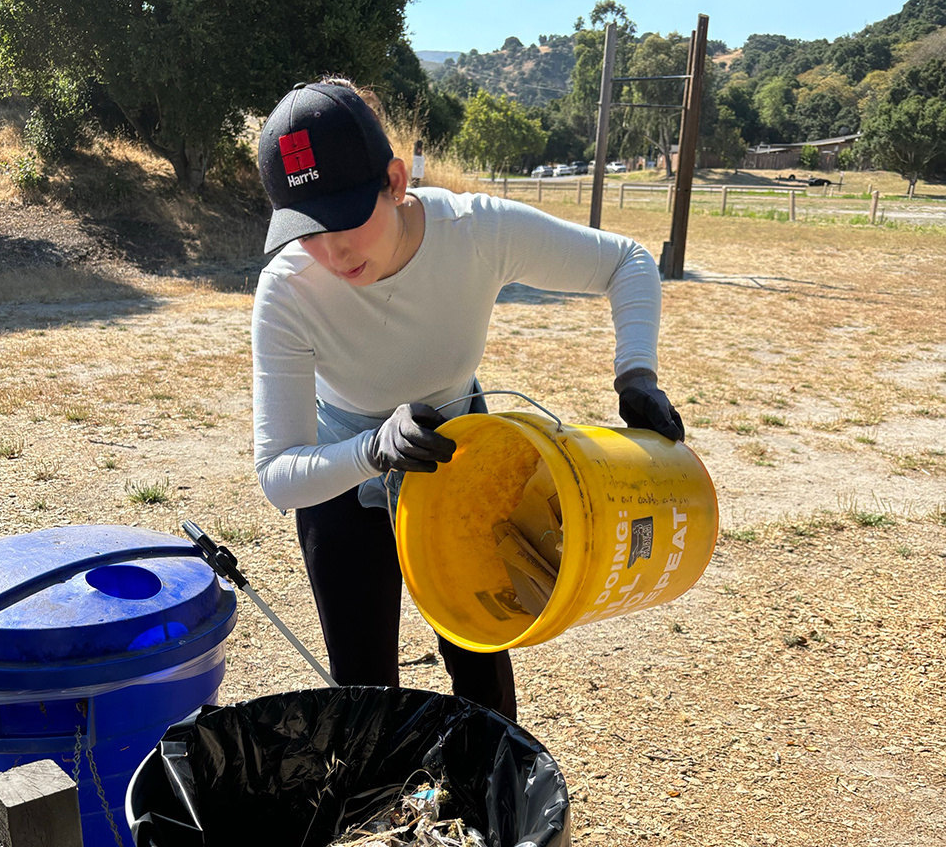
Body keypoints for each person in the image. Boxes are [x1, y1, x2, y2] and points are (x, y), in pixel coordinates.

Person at [252, 79, 684, 722]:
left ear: (395, 182)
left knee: (481, 657)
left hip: (466, 462)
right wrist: (373, 450)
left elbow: (628, 261)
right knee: (365, 689)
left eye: (346, 219)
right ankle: (386, 815)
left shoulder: (475, 232)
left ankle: (496, 804)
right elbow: (280, 476)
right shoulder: (287, 292)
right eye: (308, 229)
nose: (332, 250)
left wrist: (636, 376)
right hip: (345, 478)